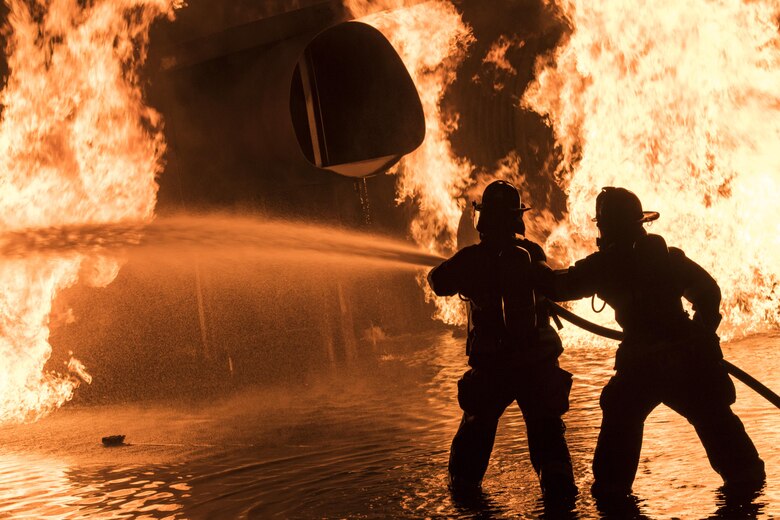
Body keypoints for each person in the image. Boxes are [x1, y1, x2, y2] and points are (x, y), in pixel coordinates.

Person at [548, 186, 765, 500]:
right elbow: (708, 292)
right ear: (640, 223)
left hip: (640, 366)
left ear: (606, 227)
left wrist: (527, 271)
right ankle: (749, 492)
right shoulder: (669, 258)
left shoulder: (604, 265)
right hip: (687, 359)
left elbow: (560, 287)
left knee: (620, 426)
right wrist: (703, 334)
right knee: (717, 423)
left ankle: (613, 498)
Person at [427, 180, 577, 500]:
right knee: (547, 430)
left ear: (483, 219)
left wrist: (453, 273)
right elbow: (548, 286)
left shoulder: (470, 258)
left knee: (475, 432)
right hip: (536, 363)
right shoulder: (532, 252)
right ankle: (561, 497)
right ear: (515, 218)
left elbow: (439, 283)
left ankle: (466, 498)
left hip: (493, 365)